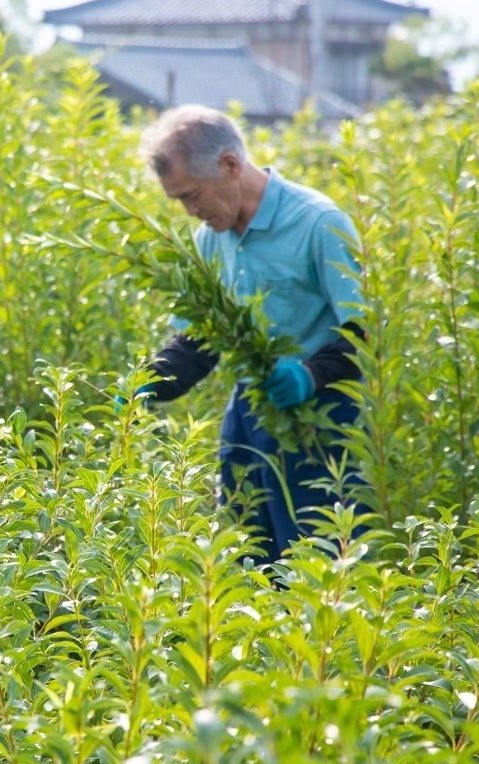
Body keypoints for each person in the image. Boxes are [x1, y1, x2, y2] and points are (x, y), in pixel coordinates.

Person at [131, 105, 366, 564]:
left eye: (192, 195)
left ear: (230, 166)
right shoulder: (210, 238)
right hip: (249, 416)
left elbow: (366, 330)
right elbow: (201, 341)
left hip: (321, 420)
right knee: (246, 557)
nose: (191, 211)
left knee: (315, 560)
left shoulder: (319, 223)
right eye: (178, 200)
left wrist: (310, 375)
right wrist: (148, 382)